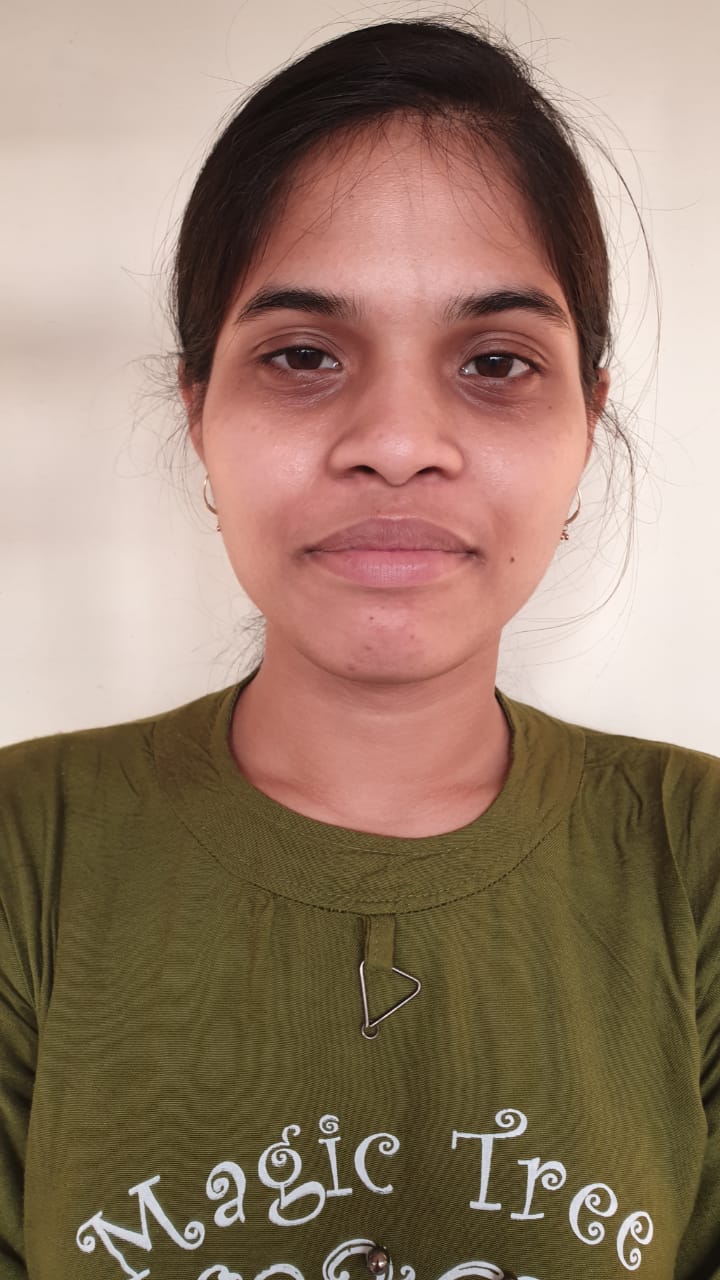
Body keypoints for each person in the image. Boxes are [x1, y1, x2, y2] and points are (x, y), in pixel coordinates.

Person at [1, 17, 718, 1280]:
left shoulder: (694, 859)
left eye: (494, 361)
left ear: (587, 420)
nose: (396, 441)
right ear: (199, 410)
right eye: (302, 355)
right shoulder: (26, 852)